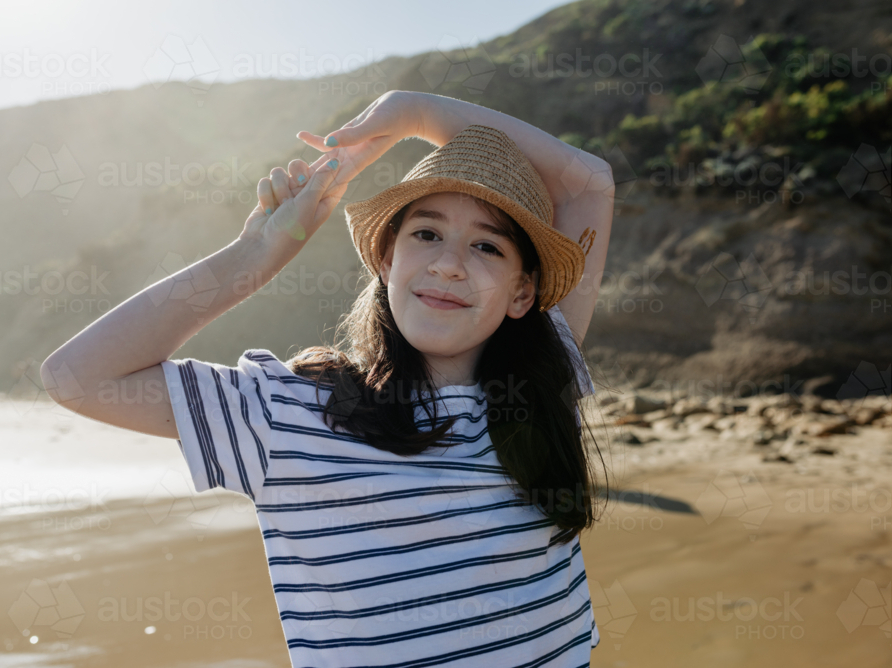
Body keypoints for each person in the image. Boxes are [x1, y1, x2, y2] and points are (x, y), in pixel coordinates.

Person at [42, 90, 615, 667]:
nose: (448, 263)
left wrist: (414, 113)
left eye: (487, 246)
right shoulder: (291, 416)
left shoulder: (543, 387)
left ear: (522, 292)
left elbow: (589, 183)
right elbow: (77, 376)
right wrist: (256, 254)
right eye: (426, 233)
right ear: (387, 260)